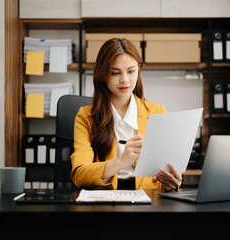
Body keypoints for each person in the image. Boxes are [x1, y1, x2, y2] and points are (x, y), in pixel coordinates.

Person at [71, 38, 182, 191]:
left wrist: (173, 182)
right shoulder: (85, 117)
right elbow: (80, 176)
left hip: (148, 201)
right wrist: (122, 161)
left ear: (139, 69)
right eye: (115, 73)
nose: (124, 80)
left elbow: (168, 169)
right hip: (104, 201)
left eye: (131, 71)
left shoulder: (158, 112)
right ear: (103, 75)